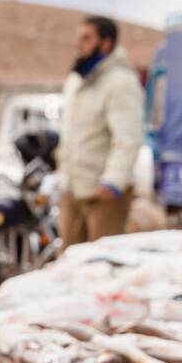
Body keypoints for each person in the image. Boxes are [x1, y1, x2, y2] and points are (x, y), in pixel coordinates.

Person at [57, 15, 144, 248]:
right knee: (68, 264)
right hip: (74, 189)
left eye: (86, 38)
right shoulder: (77, 80)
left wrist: (113, 181)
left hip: (103, 195)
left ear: (105, 43)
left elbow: (128, 137)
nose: (79, 44)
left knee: (101, 264)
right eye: (79, 38)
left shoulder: (120, 82)